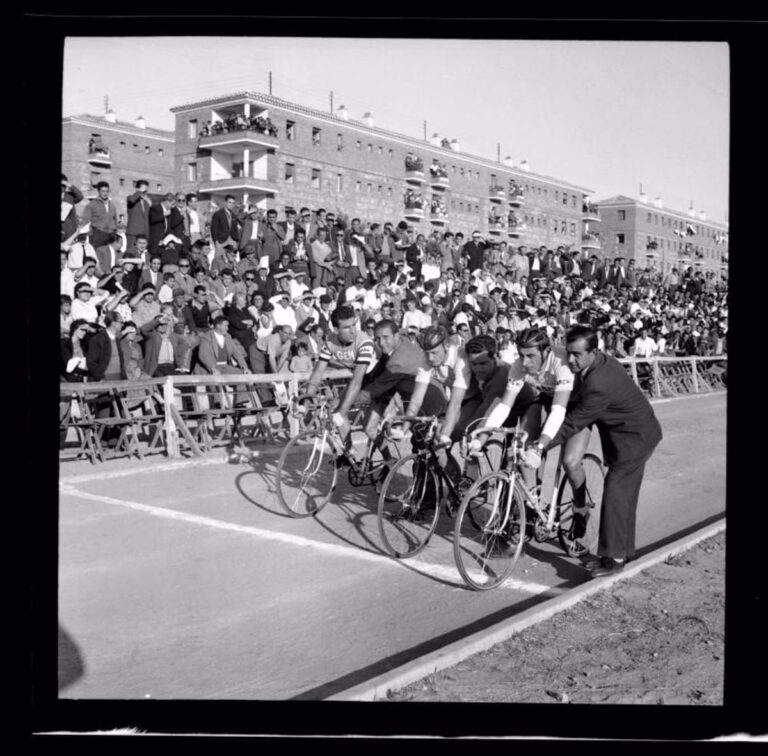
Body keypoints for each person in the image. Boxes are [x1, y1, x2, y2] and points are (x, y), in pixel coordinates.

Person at [526, 325, 663, 577]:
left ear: (594, 351)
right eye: (569, 353)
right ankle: (625, 550)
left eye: (578, 354)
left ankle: (613, 559)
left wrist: (541, 444)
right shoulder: (596, 365)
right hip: (630, 434)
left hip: (634, 439)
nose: (571, 360)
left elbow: (573, 423)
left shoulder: (599, 382)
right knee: (625, 498)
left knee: (616, 495)